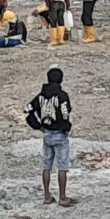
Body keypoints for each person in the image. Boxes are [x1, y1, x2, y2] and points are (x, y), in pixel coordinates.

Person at [24, 68, 75, 207]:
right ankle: (62, 197)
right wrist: (66, 128)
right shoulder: (62, 96)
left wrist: (37, 125)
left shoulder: (41, 96)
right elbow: (65, 114)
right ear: (61, 79)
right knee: (62, 167)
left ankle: (47, 196)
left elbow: (27, 109)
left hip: (46, 133)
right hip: (60, 134)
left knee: (46, 166)